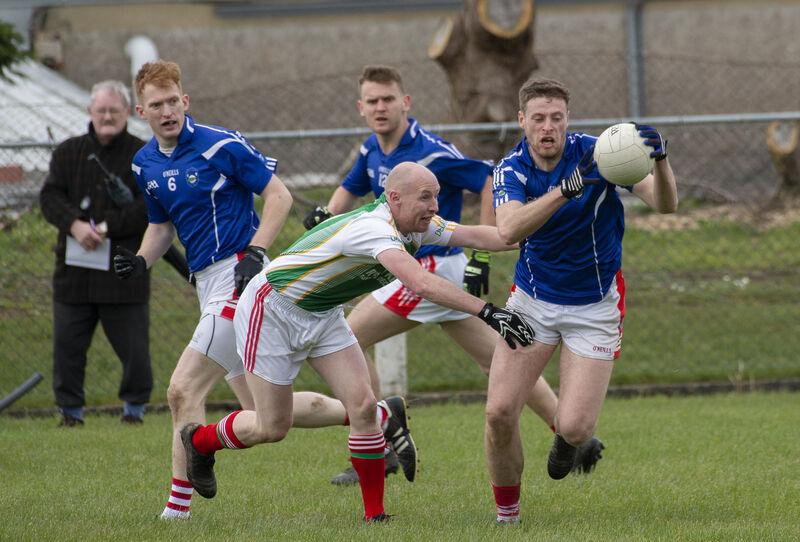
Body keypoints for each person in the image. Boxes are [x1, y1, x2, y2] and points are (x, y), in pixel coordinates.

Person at [181, 161, 535, 523]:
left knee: (364, 407)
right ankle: (200, 441)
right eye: (425, 197)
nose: (434, 206)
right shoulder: (374, 229)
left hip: (322, 313)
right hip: (272, 309)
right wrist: (487, 311)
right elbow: (421, 283)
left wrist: (543, 228)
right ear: (394, 198)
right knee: (271, 427)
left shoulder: (416, 225)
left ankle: (374, 516)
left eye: (436, 197)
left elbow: (483, 236)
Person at [303, 65, 604, 485]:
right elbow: (347, 193)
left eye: (388, 99)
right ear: (361, 107)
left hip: (431, 270)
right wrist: (324, 217)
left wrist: (480, 256)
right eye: (372, 101)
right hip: (420, 271)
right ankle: (572, 435)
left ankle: (380, 442)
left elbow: (487, 178)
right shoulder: (372, 149)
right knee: (495, 358)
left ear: (406, 103)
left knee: (344, 340)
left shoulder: (431, 152)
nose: (380, 107)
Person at [113, 60, 372, 521]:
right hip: (207, 285)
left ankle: (177, 509)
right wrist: (140, 262)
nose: (167, 111)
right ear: (141, 112)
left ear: (185, 100)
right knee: (262, 413)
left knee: (182, 389)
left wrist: (255, 251)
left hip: (240, 278)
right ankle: (380, 416)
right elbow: (161, 226)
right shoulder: (144, 163)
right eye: (156, 105)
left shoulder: (220, 144)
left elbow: (279, 196)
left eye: (173, 101)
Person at [484, 78, 678, 523]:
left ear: (567, 119)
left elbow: (664, 204)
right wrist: (563, 191)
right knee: (498, 412)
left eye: (556, 118)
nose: (547, 127)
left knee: (575, 427)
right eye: (538, 118)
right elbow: (508, 230)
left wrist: (661, 161)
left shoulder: (601, 154)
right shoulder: (511, 168)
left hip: (594, 305)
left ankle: (568, 442)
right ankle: (507, 517)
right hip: (532, 301)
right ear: (522, 121)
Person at [39, 79, 155, 427]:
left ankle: (134, 411)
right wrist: (75, 225)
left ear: (127, 113)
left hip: (123, 273)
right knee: (68, 349)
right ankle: (70, 413)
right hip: (73, 276)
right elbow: (49, 197)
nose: (107, 117)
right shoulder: (67, 152)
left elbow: (148, 208)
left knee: (134, 350)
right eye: (101, 110)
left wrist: (105, 228)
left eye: (114, 111)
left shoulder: (143, 156)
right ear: (90, 111)